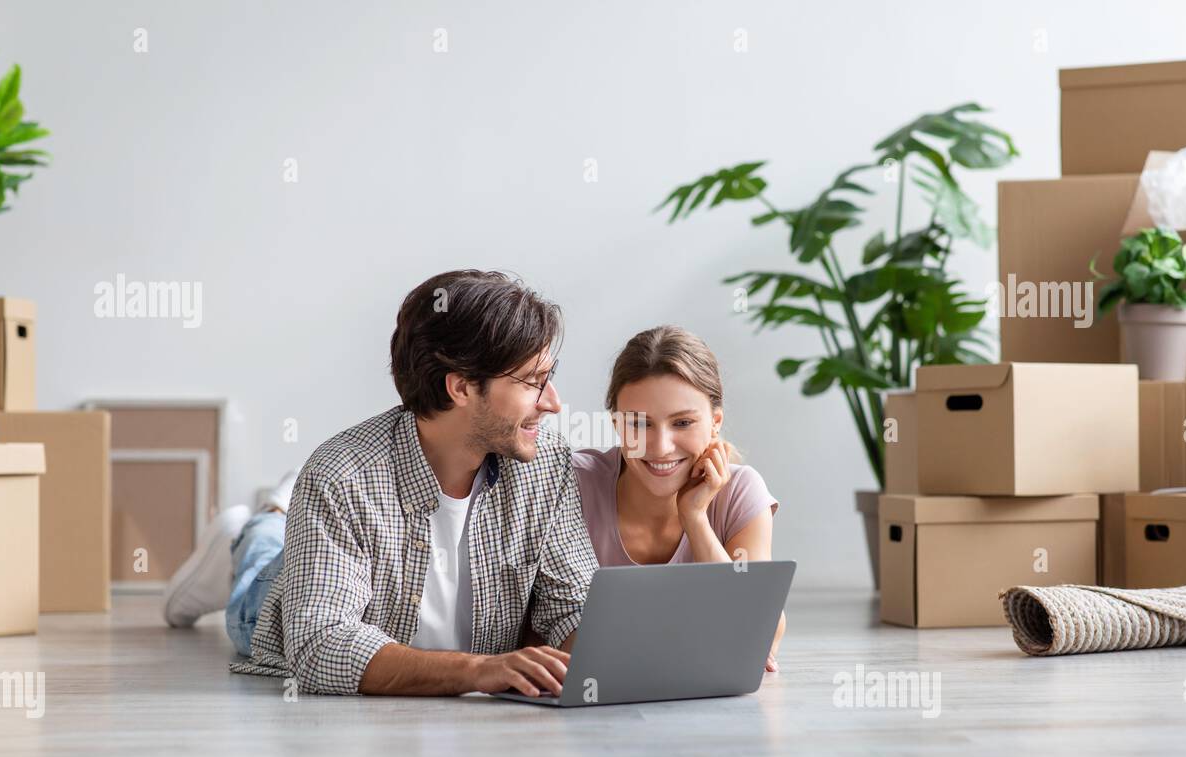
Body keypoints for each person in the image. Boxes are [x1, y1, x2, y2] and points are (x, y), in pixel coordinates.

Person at [161, 269, 597, 697]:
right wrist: (478, 670)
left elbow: (574, 607)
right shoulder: (340, 476)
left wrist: (605, 655)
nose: (554, 403)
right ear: (462, 387)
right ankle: (248, 532)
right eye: (533, 382)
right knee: (259, 573)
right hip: (270, 611)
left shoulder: (547, 464)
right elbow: (318, 646)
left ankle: (277, 514)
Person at [572, 326, 785, 671]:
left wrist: (696, 518)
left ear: (715, 422)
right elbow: (539, 634)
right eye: (639, 424)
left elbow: (761, 630)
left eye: (683, 422)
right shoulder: (576, 484)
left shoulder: (741, 491)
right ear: (616, 424)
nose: (661, 447)